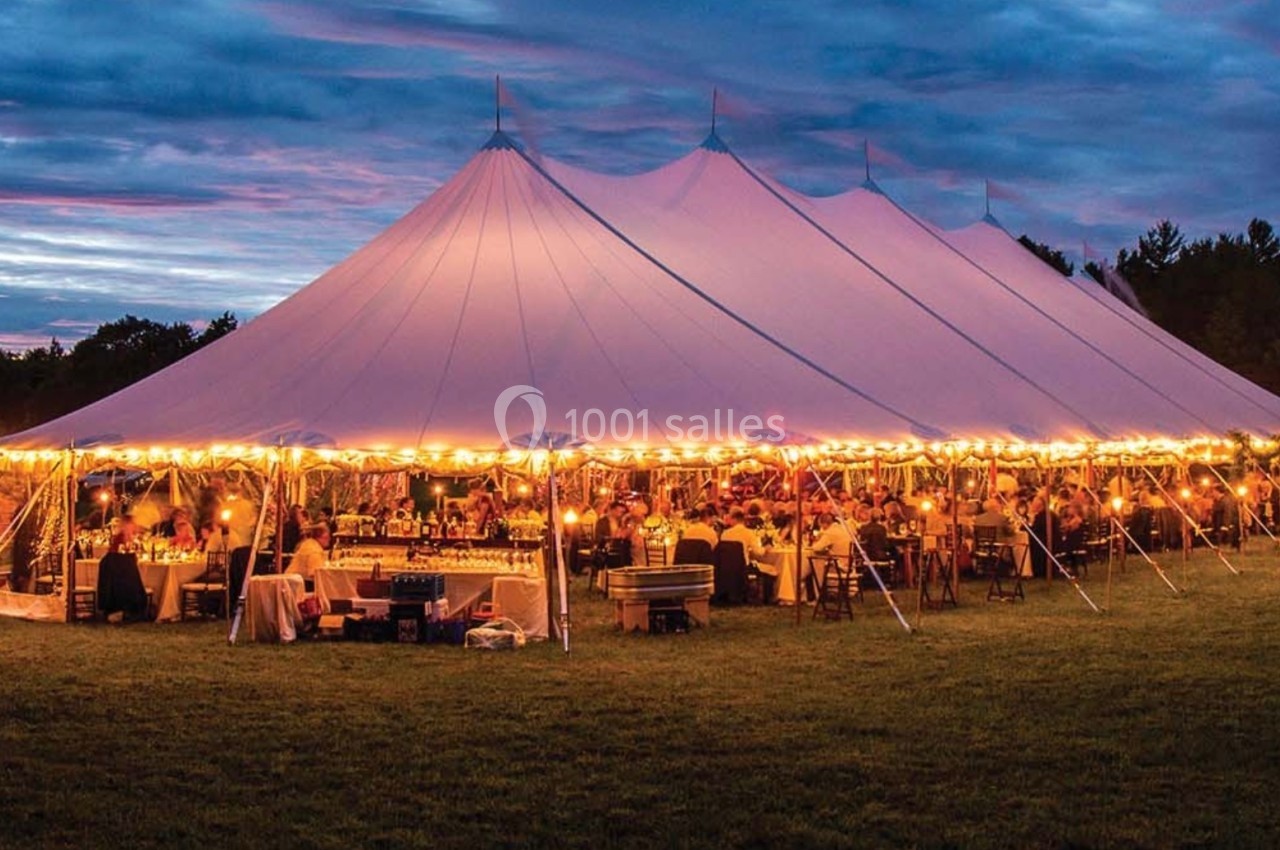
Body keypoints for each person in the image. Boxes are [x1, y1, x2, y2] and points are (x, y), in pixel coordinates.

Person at [286, 523, 330, 591]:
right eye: (327, 537)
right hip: (298, 585)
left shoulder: (308, 543)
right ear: (322, 536)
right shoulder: (315, 550)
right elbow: (315, 574)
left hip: (291, 582)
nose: (329, 540)